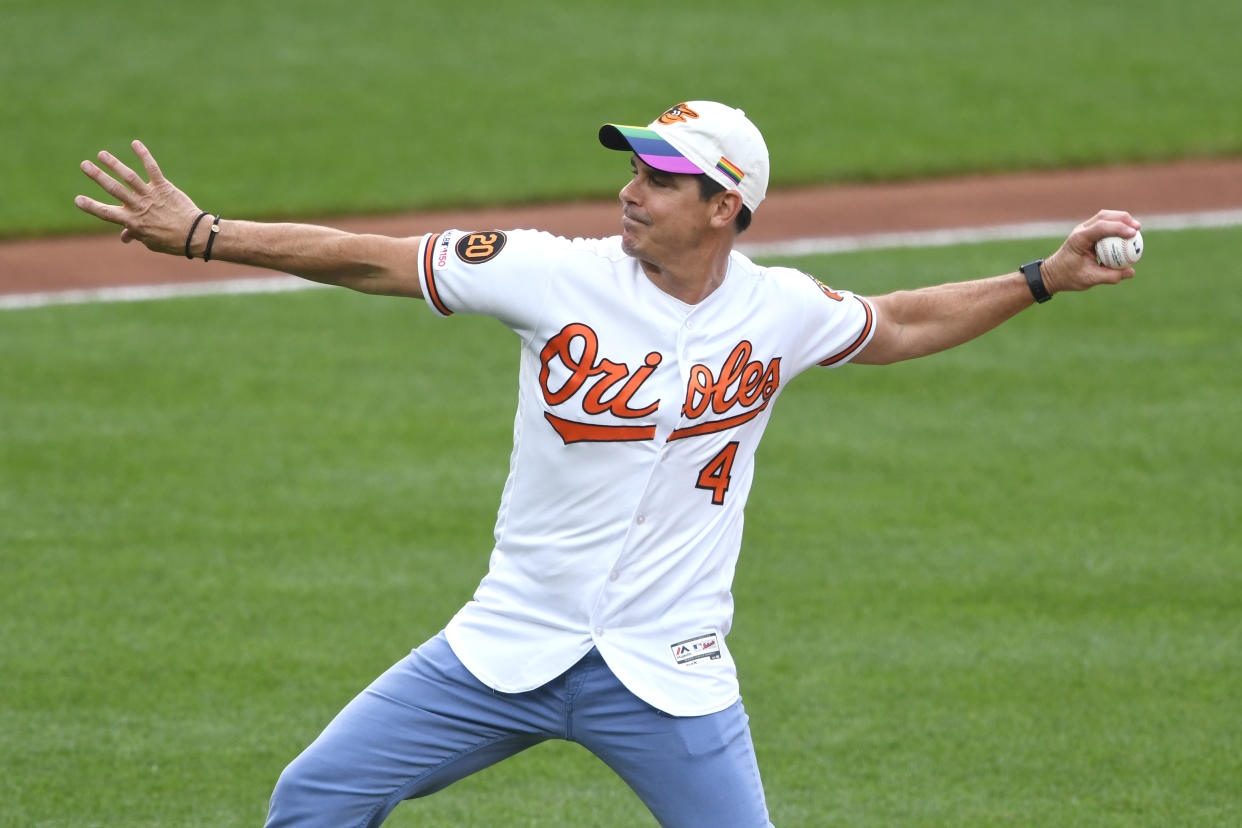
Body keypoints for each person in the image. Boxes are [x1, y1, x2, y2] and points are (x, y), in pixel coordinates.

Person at [74, 100, 1140, 827]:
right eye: (633, 167)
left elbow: (899, 322)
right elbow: (372, 259)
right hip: (502, 647)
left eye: (662, 178)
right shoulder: (548, 274)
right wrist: (206, 232)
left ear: (726, 206)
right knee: (313, 801)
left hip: (668, 675)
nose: (631, 190)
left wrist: (1042, 277)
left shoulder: (780, 313)